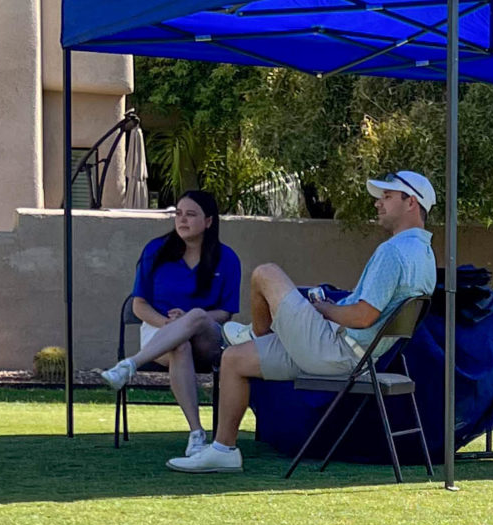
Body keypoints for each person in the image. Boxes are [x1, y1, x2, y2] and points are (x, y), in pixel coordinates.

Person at [168, 169, 437, 475]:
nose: (378, 203)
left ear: (411, 202)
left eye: (387, 197)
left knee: (265, 274)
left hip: (337, 350)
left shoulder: (394, 251)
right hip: (356, 356)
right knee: (233, 359)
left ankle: (256, 334)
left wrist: (324, 309)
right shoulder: (425, 255)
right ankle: (223, 451)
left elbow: (363, 316)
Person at [98, 189, 242, 456]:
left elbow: (225, 312)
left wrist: (187, 320)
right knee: (179, 345)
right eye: (178, 213)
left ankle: (130, 365)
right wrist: (168, 324)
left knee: (196, 315)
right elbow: (139, 305)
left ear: (208, 221)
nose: (182, 220)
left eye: (191, 214)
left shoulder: (227, 258)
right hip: (160, 331)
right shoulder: (156, 251)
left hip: (207, 336)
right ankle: (196, 434)